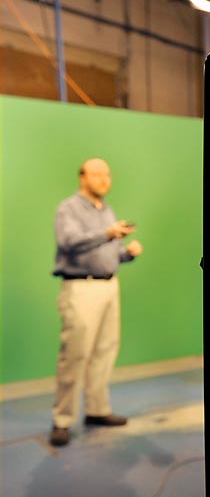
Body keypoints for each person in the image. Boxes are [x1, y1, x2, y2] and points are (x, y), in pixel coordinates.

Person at [49, 158, 143, 447]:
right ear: (82, 177)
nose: (104, 179)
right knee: (75, 356)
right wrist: (108, 233)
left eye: (107, 174)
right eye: (97, 174)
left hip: (108, 285)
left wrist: (127, 254)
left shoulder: (107, 210)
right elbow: (68, 242)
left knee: (105, 350)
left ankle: (97, 410)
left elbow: (108, 253)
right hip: (81, 287)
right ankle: (62, 420)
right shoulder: (69, 208)